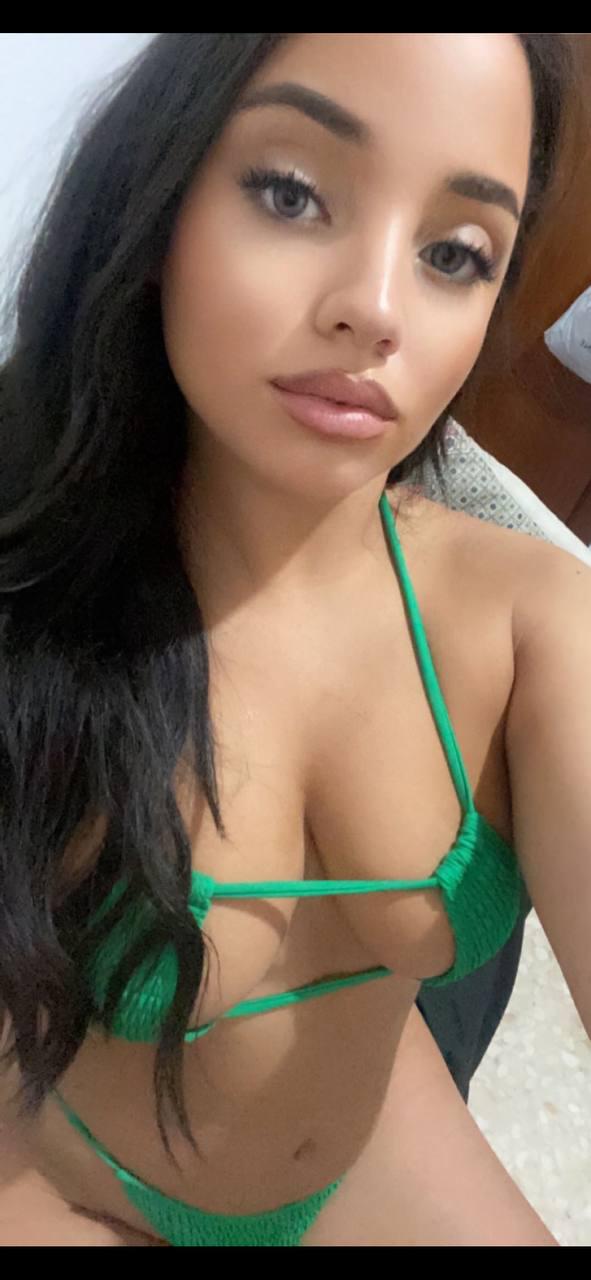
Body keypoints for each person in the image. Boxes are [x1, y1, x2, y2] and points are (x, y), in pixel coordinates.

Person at [0, 33, 587, 1248]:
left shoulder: (529, 619)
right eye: (291, 192)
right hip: (53, 1169)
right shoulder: (32, 591)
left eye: (454, 253)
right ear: (159, 194)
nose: (376, 307)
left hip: (370, 1145)